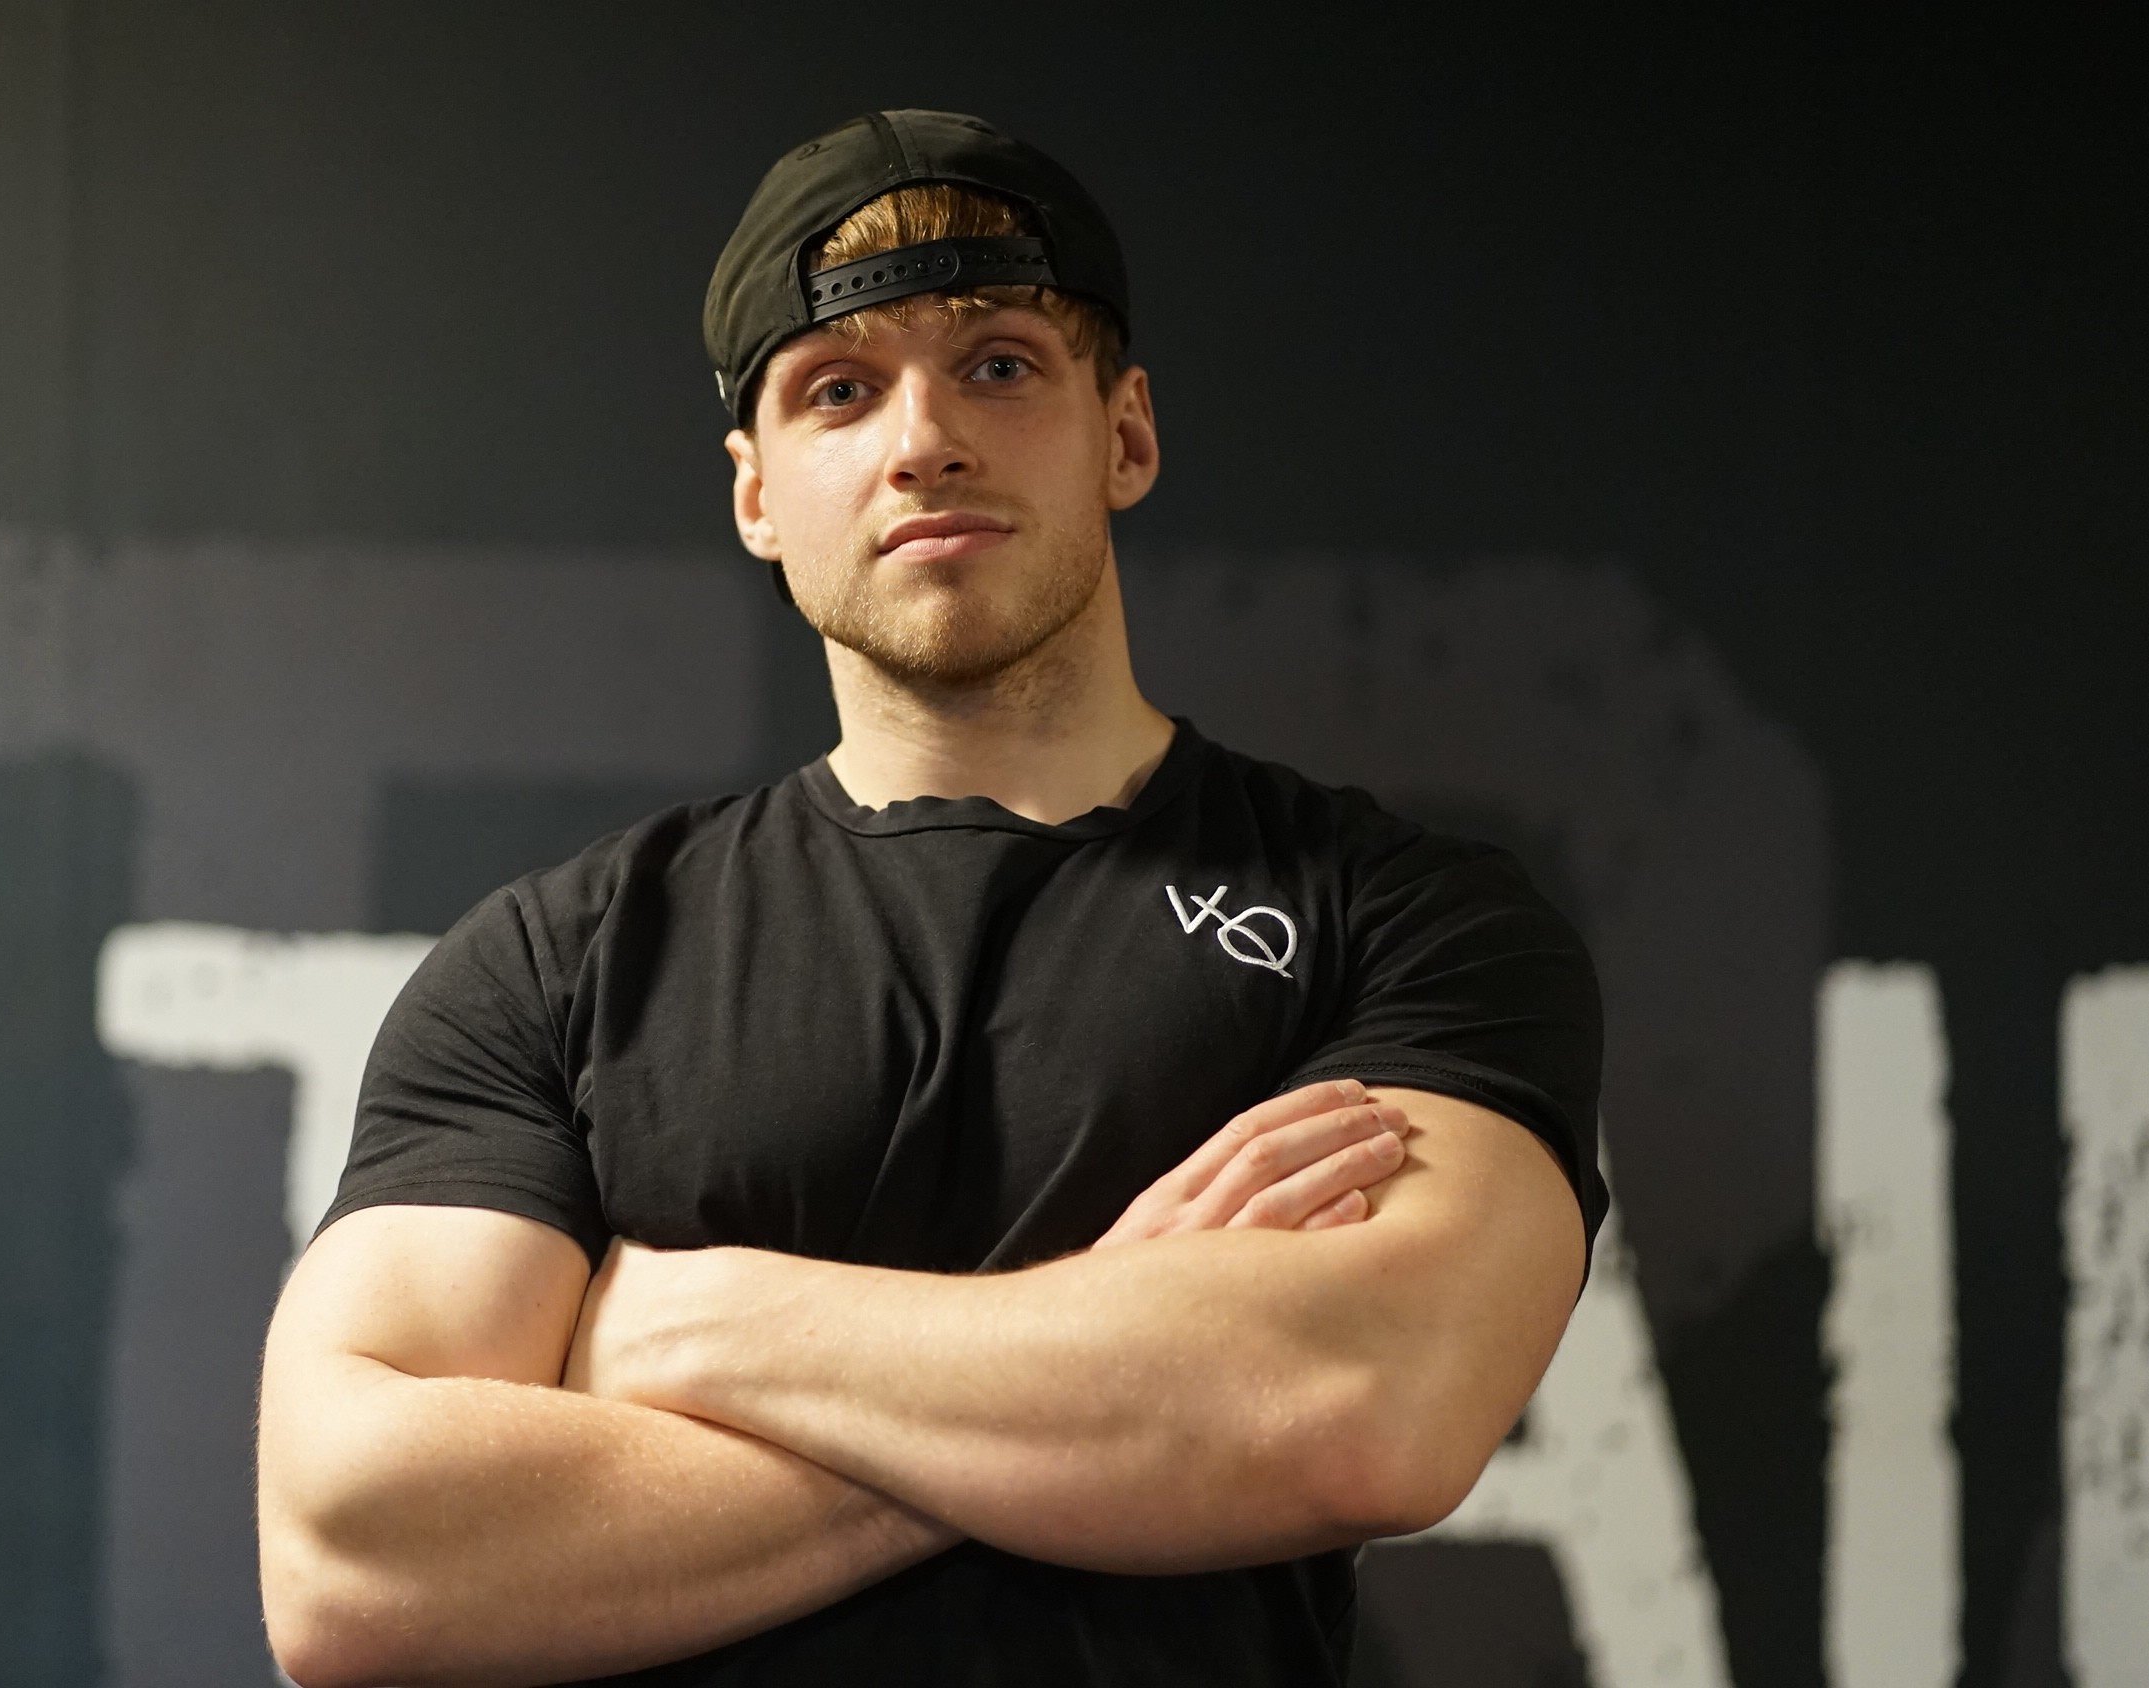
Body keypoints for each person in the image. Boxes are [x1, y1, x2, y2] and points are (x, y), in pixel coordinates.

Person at [255, 109, 1606, 1687]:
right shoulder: (559, 968)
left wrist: (685, 1331)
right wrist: (1119, 1354)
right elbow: (358, 1559)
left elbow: (1357, 1408)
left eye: (1001, 363)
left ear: (1128, 432)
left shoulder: (1404, 921)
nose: (923, 440)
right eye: (840, 388)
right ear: (758, 494)